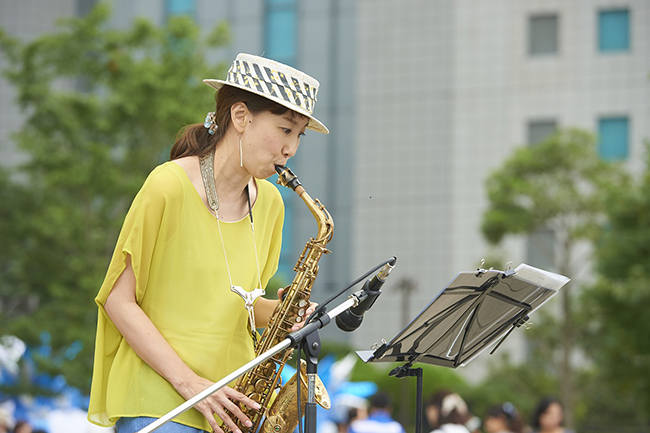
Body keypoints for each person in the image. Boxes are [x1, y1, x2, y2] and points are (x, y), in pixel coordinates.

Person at [87, 53, 329, 433]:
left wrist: (282, 312)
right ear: (240, 117)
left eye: (298, 135)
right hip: (160, 402)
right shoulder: (167, 185)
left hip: (232, 407)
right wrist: (190, 384)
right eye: (285, 129)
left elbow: (241, 305)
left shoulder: (271, 204)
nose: (291, 149)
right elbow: (119, 300)